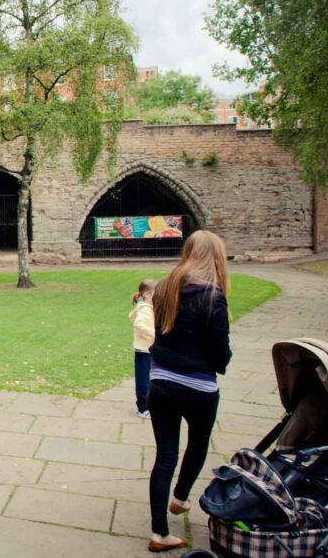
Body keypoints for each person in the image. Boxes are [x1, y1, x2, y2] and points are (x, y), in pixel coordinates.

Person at [147, 230, 232, 553]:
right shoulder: (213, 296)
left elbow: (161, 333)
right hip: (198, 385)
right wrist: (219, 361)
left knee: (165, 455)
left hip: (161, 381)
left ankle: (159, 533)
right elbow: (220, 352)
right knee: (197, 444)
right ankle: (181, 498)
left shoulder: (165, 288)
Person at [130, 278, 157, 418]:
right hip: (143, 349)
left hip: (148, 348)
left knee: (150, 378)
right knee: (143, 380)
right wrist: (154, 335)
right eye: (155, 293)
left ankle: (148, 405)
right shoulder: (145, 309)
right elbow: (138, 324)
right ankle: (142, 408)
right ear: (147, 294)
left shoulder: (149, 308)